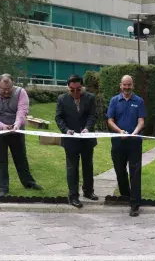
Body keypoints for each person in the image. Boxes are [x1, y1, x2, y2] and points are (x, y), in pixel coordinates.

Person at [0, 73, 43, 196]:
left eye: (9, 89)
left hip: (16, 129)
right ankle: (3, 189)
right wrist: (1, 126)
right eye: (3, 89)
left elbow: (22, 110)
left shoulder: (21, 92)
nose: (7, 92)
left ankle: (29, 182)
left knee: (21, 157)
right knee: (0, 159)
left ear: (13, 85)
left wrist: (17, 124)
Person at [55, 74, 98, 208]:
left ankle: (88, 191)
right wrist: (65, 129)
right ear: (68, 88)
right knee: (72, 168)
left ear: (82, 87)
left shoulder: (90, 98)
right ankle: (73, 196)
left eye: (78, 89)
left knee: (88, 166)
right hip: (71, 140)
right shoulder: (62, 99)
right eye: (72, 89)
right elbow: (58, 117)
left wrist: (87, 128)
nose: (75, 92)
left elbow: (92, 115)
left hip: (86, 139)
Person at [107, 75, 146, 217]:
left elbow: (141, 120)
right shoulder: (114, 100)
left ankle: (135, 204)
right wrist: (120, 131)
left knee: (135, 173)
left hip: (134, 142)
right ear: (120, 85)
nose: (127, 87)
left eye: (129, 85)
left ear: (133, 85)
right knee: (119, 170)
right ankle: (126, 195)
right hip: (118, 141)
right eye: (125, 85)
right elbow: (110, 120)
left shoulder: (139, 101)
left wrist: (135, 133)